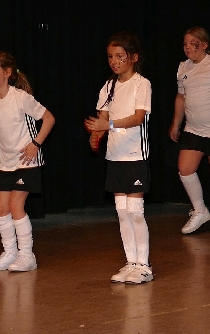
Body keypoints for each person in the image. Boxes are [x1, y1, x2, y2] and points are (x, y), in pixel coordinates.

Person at [84, 31, 153, 284]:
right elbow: (102, 117)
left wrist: (108, 125)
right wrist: (96, 134)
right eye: (111, 57)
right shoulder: (108, 86)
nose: (114, 61)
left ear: (133, 57)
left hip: (135, 156)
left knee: (135, 211)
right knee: (122, 211)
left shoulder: (141, 84)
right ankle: (131, 262)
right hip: (115, 156)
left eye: (120, 56)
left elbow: (138, 117)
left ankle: (144, 265)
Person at [0, 51, 55, 272]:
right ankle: (9, 252)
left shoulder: (21, 98)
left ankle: (27, 255)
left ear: (7, 72)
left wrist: (36, 144)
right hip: (6, 162)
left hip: (26, 160)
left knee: (15, 205)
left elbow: (49, 119)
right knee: (1, 209)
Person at [168, 27, 210, 236]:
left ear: (205, 45)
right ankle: (200, 211)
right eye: (185, 44)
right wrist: (176, 124)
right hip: (193, 129)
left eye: (193, 43)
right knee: (185, 169)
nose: (188, 47)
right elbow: (181, 97)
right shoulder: (183, 68)